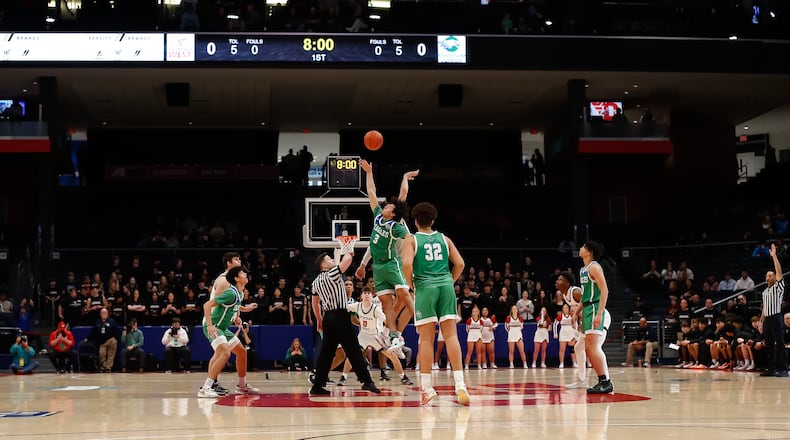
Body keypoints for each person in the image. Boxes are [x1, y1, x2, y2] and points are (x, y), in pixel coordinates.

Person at [400, 201, 470, 406]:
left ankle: (427, 388)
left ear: (415, 221)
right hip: (446, 286)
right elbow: (460, 264)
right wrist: (450, 281)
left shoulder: (411, 238)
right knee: (451, 336)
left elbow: (406, 264)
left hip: (425, 287)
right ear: (433, 220)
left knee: (426, 339)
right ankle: (460, 385)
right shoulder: (444, 238)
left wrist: (411, 284)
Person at [357, 160, 418, 354]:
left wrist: (404, 178)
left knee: (406, 296)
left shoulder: (396, 224)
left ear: (393, 213)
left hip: (395, 264)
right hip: (379, 267)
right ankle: (393, 336)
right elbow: (372, 193)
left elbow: (403, 196)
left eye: (390, 206)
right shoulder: (377, 216)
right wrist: (368, 172)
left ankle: (421, 319)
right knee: (386, 304)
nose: (386, 205)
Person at [310, 245, 380, 395]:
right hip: (340, 315)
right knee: (353, 349)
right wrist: (348, 250)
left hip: (328, 317)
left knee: (327, 353)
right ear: (323, 264)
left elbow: (314, 303)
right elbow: (347, 261)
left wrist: (319, 320)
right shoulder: (332, 274)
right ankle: (367, 381)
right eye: (328, 259)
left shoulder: (315, 282)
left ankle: (317, 386)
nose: (331, 260)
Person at [200, 252, 259, 396]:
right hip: (213, 323)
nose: (240, 261)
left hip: (222, 324)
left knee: (241, 352)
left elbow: (232, 304)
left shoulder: (238, 290)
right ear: (229, 264)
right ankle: (207, 387)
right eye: (236, 259)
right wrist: (210, 325)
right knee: (224, 353)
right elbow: (210, 305)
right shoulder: (223, 281)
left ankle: (242, 385)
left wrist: (239, 312)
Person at [347, 285, 413, 385]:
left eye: (369, 293)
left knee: (388, 354)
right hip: (365, 332)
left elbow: (389, 318)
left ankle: (392, 371)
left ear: (372, 294)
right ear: (361, 295)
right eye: (365, 293)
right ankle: (354, 374)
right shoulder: (360, 305)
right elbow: (350, 313)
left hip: (379, 331)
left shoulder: (383, 301)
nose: (367, 294)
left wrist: (393, 332)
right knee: (357, 353)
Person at [578, 241, 614, 394]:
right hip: (586, 308)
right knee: (587, 348)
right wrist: (576, 311)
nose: (580, 248)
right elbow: (585, 294)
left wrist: (599, 313)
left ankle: (605, 381)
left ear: (589, 251)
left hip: (594, 307)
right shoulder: (583, 269)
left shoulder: (595, 267)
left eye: (583, 247)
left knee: (593, 346)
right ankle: (602, 380)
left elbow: (604, 290)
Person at [758, 243, 787, 377]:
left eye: (771, 275)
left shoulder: (778, 287)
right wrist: (760, 321)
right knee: (769, 345)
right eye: (767, 275)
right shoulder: (764, 291)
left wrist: (774, 257)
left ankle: (783, 369)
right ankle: (771, 369)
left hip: (776, 317)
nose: (768, 277)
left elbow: (779, 272)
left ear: (775, 278)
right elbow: (764, 307)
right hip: (767, 320)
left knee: (780, 344)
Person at [85, 307, 119, 373]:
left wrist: (116, 339)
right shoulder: (97, 322)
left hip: (111, 340)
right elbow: (93, 331)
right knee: (102, 354)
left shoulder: (112, 321)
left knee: (110, 354)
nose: (104, 314)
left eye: (105, 313)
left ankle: (108, 367)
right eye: (103, 313)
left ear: (107, 314)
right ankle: (103, 367)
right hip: (102, 342)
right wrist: (87, 338)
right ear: (100, 314)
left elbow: (116, 331)